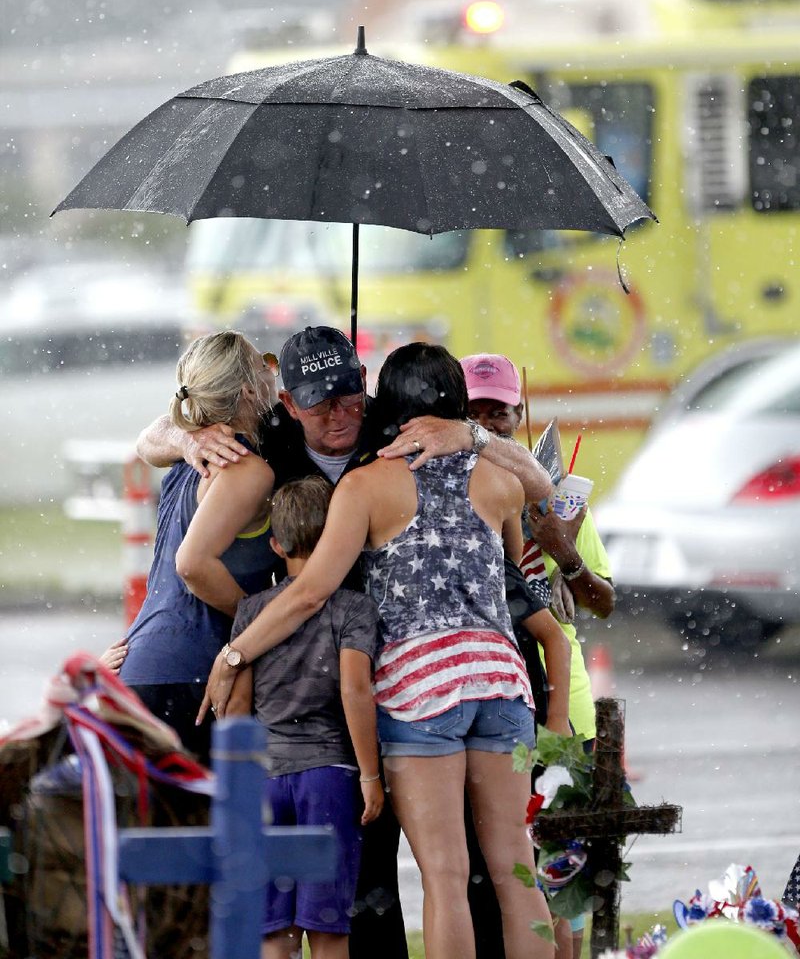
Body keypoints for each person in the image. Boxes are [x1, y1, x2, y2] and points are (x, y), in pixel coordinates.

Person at [137, 324, 554, 959]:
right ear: (286, 402)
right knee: (390, 866)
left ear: (368, 387)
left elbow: (536, 483)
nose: (341, 413)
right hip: (329, 679)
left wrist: (470, 431)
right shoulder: (266, 446)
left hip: (397, 674)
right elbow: (152, 441)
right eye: (320, 402)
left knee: (448, 869)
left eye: (350, 396)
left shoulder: (393, 435)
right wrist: (180, 433)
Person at [461, 351, 616, 959]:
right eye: (475, 411)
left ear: (519, 415)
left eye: (500, 411)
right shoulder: (447, 488)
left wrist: (563, 551)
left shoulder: (558, 499)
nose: (490, 423)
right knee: (497, 872)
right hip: (482, 695)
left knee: (559, 879)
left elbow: (602, 602)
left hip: (560, 699)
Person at [227, 475, 383, 959]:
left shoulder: (253, 612)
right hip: (329, 779)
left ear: (276, 544)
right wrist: (371, 775)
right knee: (328, 927)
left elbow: (236, 708)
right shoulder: (353, 608)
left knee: (274, 930)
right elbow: (355, 689)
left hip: (266, 781)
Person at [115, 330, 277, 761]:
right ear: (249, 389)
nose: (273, 374)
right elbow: (192, 565)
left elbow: (150, 439)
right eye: (266, 366)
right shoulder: (245, 469)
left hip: (140, 668)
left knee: (147, 828)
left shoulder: (190, 458)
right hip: (190, 678)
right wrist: (265, 623)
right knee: (212, 827)